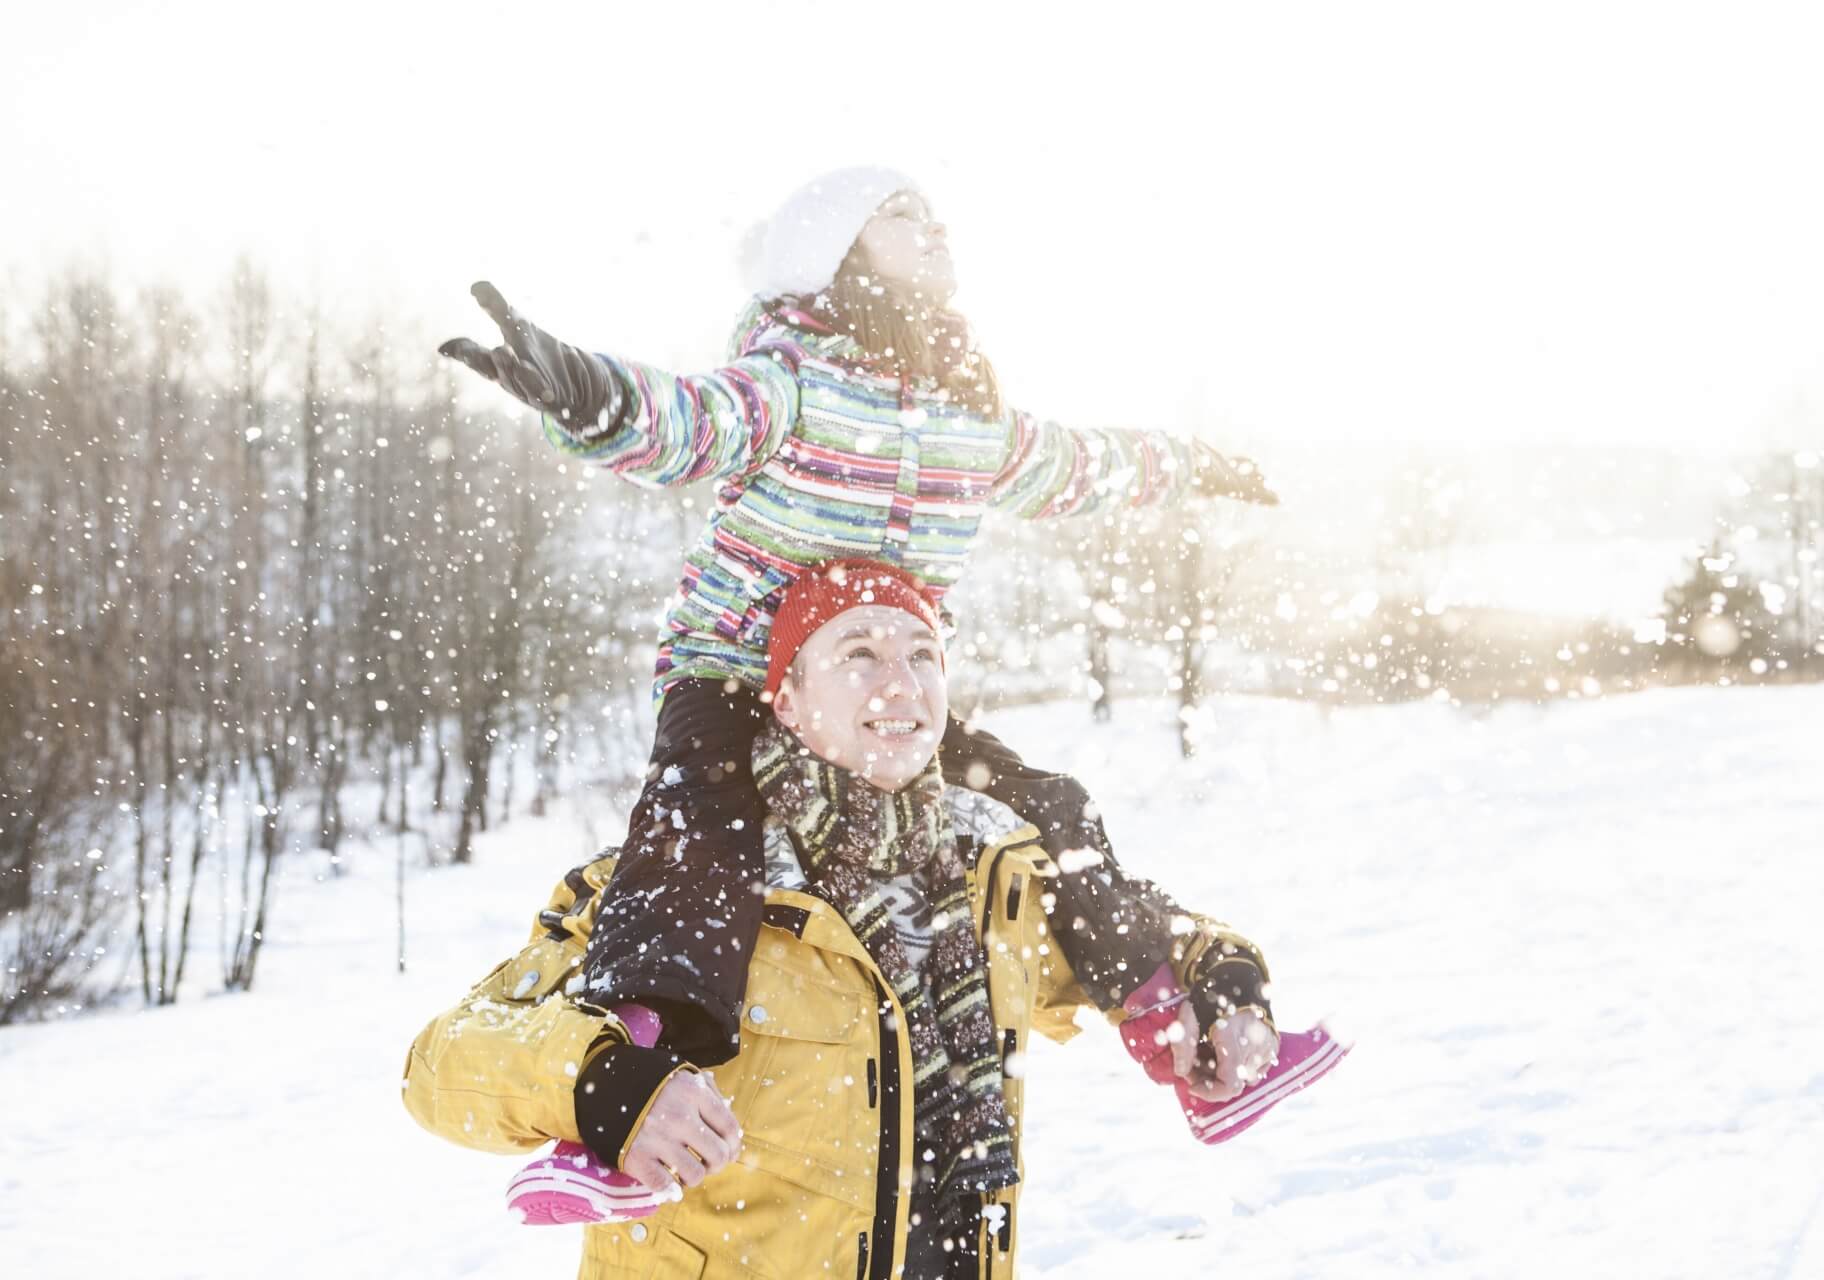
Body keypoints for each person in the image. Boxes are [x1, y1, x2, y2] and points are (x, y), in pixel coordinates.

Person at [437, 166, 1280, 1076]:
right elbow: (691, 422)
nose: (934, 226)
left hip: (881, 685)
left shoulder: (972, 416)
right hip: (732, 668)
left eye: (935, 213)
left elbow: (1077, 465)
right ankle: (641, 1065)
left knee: (1046, 809)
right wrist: (591, 396)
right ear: (834, 252)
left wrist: (1192, 465)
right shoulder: (794, 379)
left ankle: (1165, 1023)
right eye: (901, 215)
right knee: (699, 838)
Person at [402, 561, 1335, 1279]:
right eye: (859, 655)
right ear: (789, 699)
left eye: (923, 655)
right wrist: (603, 1086)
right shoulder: (685, 893)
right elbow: (444, 1062)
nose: (902, 682)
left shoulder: (992, 881)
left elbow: (1153, 940)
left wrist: (1227, 995)